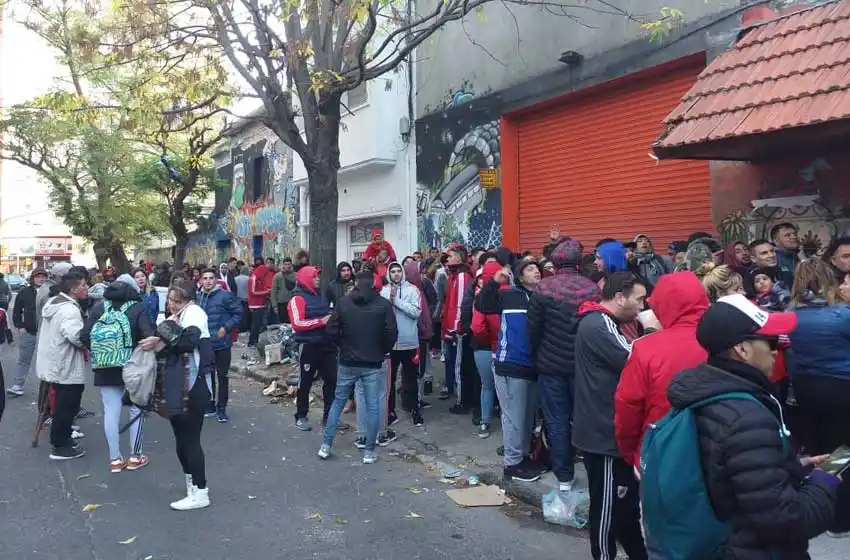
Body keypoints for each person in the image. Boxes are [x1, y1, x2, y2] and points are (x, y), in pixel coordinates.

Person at [665, 293, 837, 557]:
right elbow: (786, 519)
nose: (775, 349)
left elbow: (730, 470)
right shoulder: (746, 417)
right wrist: (823, 483)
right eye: (768, 342)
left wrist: (787, 465)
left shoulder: (705, 393)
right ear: (742, 349)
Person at [573, 271, 648, 560]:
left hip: (613, 429)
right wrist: (653, 333)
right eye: (639, 299)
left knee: (624, 506)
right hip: (601, 433)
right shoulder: (597, 322)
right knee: (605, 508)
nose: (642, 307)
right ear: (620, 297)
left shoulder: (609, 322)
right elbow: (633, 361)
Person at [614, 271, 708, 469]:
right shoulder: (729, 338)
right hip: (719, 450)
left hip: (661, 450)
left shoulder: (646, 348)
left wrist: (633, 452)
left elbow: (628, 406)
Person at [528, 237, 602, 491]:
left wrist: (537, 354)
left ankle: (564, 476)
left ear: (556, 261)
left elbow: (533, 329)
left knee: (556, 419)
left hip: (550, 366)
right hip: (582, 366)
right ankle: (593, 470)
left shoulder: (543, 289)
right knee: (584, 418)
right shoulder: (592, 288)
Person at [81, 274, 158, 472]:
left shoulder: (99, 308)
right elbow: (148, 335)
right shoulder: (137, 308)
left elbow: (84, 336)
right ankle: (135, 457)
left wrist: (102, 354)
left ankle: (115, 459)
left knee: (111, 412)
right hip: (132, 367)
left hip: (105, 368)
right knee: (136, 410)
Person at [476, 259, 543, 482]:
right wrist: (494, 281)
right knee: (514, 417)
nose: (536, 272)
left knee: (525, 417)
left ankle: (522, 457)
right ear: (520, 277)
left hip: (532, 366)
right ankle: (512, 464)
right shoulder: (509, 295)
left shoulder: (540, 298)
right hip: (510, 364)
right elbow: (482, 304)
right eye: (530, 269)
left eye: (537, 269)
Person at [320, 271, 397, 464]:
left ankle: (326, 445)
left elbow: (331, 330)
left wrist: (343, 346)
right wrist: (381, 350)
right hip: (373, 362)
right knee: (373, 406)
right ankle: (370, 451)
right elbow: (392, 332)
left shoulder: (344, 303)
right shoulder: (383, 304)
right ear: (374, 284)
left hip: (347, 361)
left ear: (355, 283)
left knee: (337, 402)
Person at [159, 279, 214, 510]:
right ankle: (191, 484)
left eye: (177, 301)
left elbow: (186, 342)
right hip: (176, 386)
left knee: (190, 439)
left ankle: (201, 492)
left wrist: (164, 333)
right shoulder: (175, 317)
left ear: (188, 300)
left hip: (193, 387)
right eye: (170, 300)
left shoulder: (194, 314)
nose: (172, 304)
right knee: (181, 439)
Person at [36, 271, 90, 460]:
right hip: (65, 365)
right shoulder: (69, 310)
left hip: (54, 362)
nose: (87, 289)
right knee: (67, 406)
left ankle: (63, 438)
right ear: (73, 289)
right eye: (84, 285)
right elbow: (76, 337)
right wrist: (90, 336)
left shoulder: (54, 302)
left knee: (62, 405)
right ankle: (60, 446)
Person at [287, 266, 336, 431]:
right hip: (308, 346)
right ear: (306, 278)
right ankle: (301, 416)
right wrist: (321, 322)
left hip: (326, 344)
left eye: (318, 277)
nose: (317, 279)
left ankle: (329, 416)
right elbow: (297, 323)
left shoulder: (321, 295)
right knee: (305, 382)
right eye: (314, 277)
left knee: (332, 380)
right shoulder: (297, 299)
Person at [197, 268, 243, 423]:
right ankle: (209, 404)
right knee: (207, 376)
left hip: (222, 344)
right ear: (201, 280)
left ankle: (222, 408)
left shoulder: (225, 296)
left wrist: (226, 328)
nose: (208, 281)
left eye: (211, 278)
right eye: (205, 278)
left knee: (222, 376)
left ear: (216, 280)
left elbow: (238, 313)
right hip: (204, 344)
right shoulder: (198, 298)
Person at [380, 261, 423, 426]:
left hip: (409, 343)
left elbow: (416, 312)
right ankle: (390, 412)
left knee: (411, 378)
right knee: (389, 380)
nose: (396, 274)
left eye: (399, 271)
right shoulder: (383, 292)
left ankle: (415, 410)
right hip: (390, 344)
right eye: (393, 272)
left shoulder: (412, 290)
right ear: (389, 274)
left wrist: (396, 301)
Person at [439, 244, 473, 409]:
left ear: (459, 258)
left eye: (451, 256)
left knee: (458, 365)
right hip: (453, 327)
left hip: (457, 330)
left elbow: (460, 304)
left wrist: (455, 327)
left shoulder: (461, 277)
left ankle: (461, 401)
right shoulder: (455, 275)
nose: (448, 259)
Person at [7, 268, 47, 396]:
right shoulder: (24, 292)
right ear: (33, 278)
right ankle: (17, 385)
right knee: (24, 359)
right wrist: (20, 326)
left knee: (47, 360)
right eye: (38, 276)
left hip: (46, 332)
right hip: (29, 331)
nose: (41, 279)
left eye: (43, 276)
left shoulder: (50, 292)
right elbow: (17, 311)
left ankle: (49, 387)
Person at [247, 257, 273, 347]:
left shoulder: (260, 279)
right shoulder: (253, 279)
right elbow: (253, 292)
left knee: (259, 324)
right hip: (255, 305)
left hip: (261, 303)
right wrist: (266, 292)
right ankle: (251, 341)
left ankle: (255, 340)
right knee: (255, 324)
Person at [270, 258, 296, 323]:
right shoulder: (277, 276)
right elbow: (273, 291)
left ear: (291, 265)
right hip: (281, 303)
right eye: (285, 264)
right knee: (283, 323)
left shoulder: (296, 275)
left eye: (289, 264)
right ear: (283, 265)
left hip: (293, 302)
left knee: (293, 321)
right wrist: (274, 305)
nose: (287, 266)